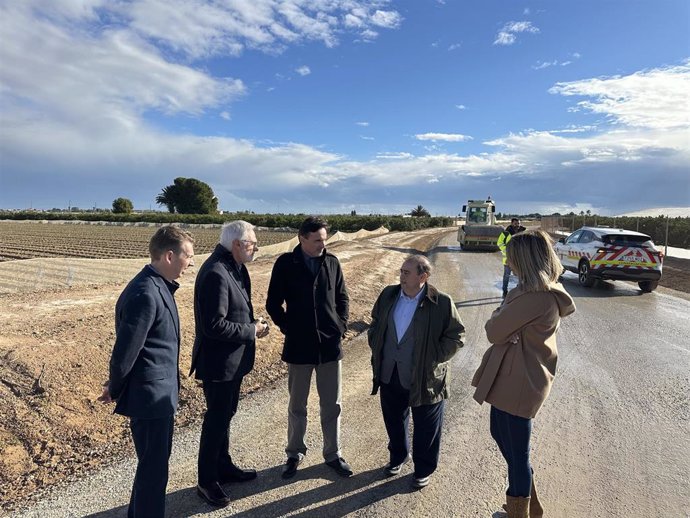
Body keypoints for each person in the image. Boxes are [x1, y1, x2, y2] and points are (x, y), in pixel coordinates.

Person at [471, 230, 576, 518]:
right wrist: (506, 323)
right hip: (514, 377)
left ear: (525, 259)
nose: (508, 260)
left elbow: (494, 331)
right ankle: (531, 505)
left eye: (512, 256)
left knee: (518, 453)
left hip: (519, 380)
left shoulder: (535, 298)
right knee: (504, 438)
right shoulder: (529, 293)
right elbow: (503, 326)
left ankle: (519, 511)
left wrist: (503, 321)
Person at [98, 226, 195, 518]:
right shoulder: (146, 292)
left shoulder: (156, 285)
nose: (190, 263)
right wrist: (114, 388)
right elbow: (125, 352)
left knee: (153, 466)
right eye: (187, 256)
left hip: (157, 394)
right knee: (153, 470)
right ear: (169, 255)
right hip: (150, 398)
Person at [368, 255, 465, 489]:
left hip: (426, 378)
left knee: (426, 427)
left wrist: (434, 358)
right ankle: (398, 456)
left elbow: (456, 335)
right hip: (390, 372)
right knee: (394, 420)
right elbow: (375, 323)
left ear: (423, 276)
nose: (401, 276)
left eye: (406, 273)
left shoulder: (441, 302)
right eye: (401, 271)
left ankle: (423, 469)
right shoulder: (388, 295)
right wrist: (377, 343)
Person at [190, 220, 269, 507]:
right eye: (252, 243)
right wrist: (252, 330)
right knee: (216, 419)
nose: (256, 248)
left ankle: (223, 467)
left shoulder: (234, 267)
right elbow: (213, 325)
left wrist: (253, 323)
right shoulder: (215, 272)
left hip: (233, 362)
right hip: (218, 364)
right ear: (236, 244)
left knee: (226, 415)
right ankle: (206, 481)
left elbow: (235, 312)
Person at [266, 216, 351, 479]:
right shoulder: (285, 264)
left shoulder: (332, 262)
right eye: (317, 241)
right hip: (299, 347)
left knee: (332, 405)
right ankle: (294, 453)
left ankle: (333, 454)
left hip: (329, 347)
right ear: (301, 238)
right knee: (296, 405)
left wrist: (341, 326)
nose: (322, 245)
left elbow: (342, 297)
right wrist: (289, 327)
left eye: (325, 240)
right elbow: (272, 304)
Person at [497, 218, 527, 298]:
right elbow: (500, 243)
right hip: (508, 259)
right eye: (516, 223)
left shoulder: (523, 232)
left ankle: (519, 291)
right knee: (506, 276)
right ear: (511, 223)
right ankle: (505, 292)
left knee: (521, 276)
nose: (517, 225)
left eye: (518, 223)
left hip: (520, 259)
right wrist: (507, 251)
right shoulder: (506, 233)